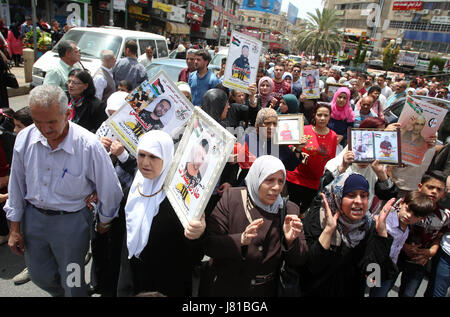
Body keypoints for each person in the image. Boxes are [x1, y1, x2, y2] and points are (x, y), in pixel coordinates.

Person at [5, 84, 123, 297]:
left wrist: (104, 221)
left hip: (72, 224)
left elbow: (110, 188)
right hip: (33, 221)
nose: (45, 129)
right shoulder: (25, 138)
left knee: (73, 279)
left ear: (67, 114)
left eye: (51, 122)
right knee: (39, 274)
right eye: (38, 122)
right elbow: (16, 184)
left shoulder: (88, 144)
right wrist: (14, 228)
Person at [204, 155, 308, 296]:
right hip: (228, 287)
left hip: (266, 290)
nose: (276, 187)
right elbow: (209, 244)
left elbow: (299, 259)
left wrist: (291, 242)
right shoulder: (232, 198)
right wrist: (240, 240)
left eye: (280, 181)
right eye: (269, 180)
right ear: (256, 178)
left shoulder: (290, 210)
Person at [118, 130, 205, 296]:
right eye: (141, 155)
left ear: (167, 159)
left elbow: (195, 255)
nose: (145, 162)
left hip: (168, 284)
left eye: (153, 157)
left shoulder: (179, 199)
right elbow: (125, 241)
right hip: (136, 280)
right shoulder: (134, 190)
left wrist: (197, 235)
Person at [300, 172, 396, 296]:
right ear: (338, 196)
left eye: (364, 196)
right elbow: (312, 267)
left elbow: (373, 279)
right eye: (351, 195)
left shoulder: (368, 227)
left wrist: (381, 234)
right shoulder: (319, 219)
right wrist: (329, 231)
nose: (359, 201)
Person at [369, 191, 435, 297]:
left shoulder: (406, 228)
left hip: (389, 268)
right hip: (375, 265)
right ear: (401, 203)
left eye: (415, 215)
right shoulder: (386, 222)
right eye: (408, 210)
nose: (409, 216)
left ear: (421, 218)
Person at [397, 171, 449, 297]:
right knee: (379, 288)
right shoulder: (404, 204)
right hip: (396, 254)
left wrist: (431, 251)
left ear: (443, 194)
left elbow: (440, 235)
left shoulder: (444, 215)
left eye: (438, 189)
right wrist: (404, 246)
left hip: (419, 260)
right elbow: (391, 227)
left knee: (409, 294)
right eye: (430, 187)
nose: (434, 191)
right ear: (420, 187)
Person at [286, 103, 337, 215]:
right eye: (319, 115)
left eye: (326, 115)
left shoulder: (333, 136)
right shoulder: (304, 129)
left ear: (330, 117)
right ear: (314, 115)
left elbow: (331, 161)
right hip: (296, 178)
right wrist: (298, 150)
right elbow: (289, 147)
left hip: (315, 182)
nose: (322, 118)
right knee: (291, 211)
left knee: (305, 213)